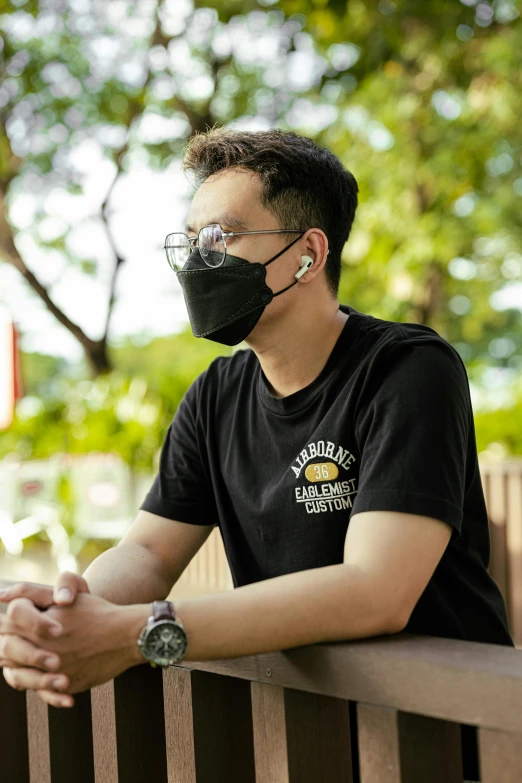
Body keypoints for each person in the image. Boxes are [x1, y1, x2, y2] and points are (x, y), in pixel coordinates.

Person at [0, 130, 513, 781]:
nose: (196, 260)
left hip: (446, 740)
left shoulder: (408, 369)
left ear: (308, 253)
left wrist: (139, 632)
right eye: (190, 241)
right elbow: (150, 552)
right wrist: (72, 615)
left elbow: (375, 590)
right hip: (307, 740)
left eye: (221, 236)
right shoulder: (215, 396)